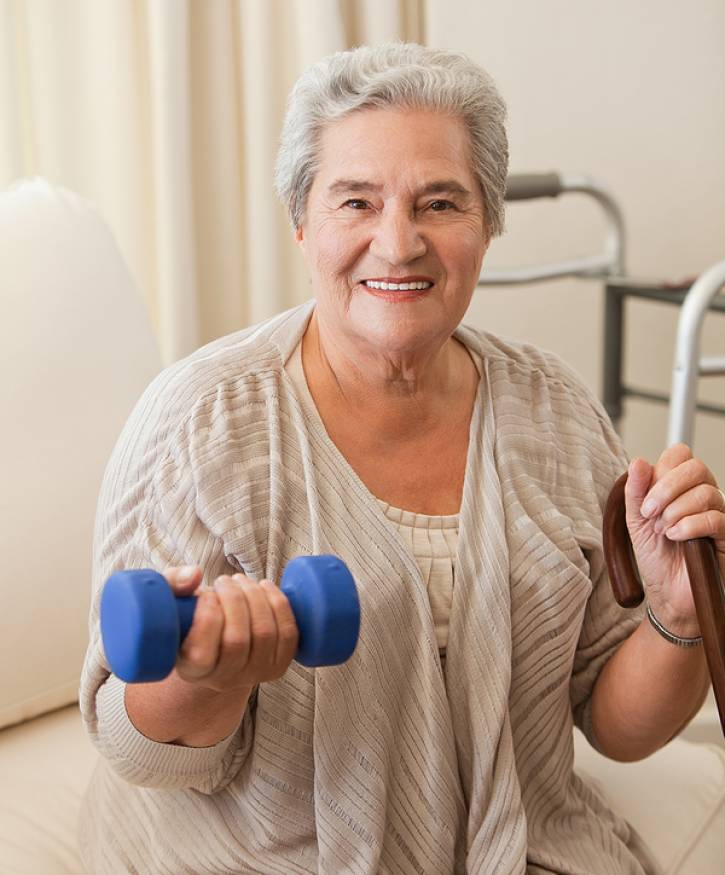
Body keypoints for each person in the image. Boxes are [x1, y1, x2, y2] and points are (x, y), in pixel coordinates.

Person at [79, 42, 724, 874]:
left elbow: (613, 724)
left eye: (440, 202)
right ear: (301, 221)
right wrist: (210, 678)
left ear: (486, 223)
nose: (398, 242)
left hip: (514, 849)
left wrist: (676, 614)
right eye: (355, 201)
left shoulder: (554, 412)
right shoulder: (200, 421)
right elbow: (143, 749)